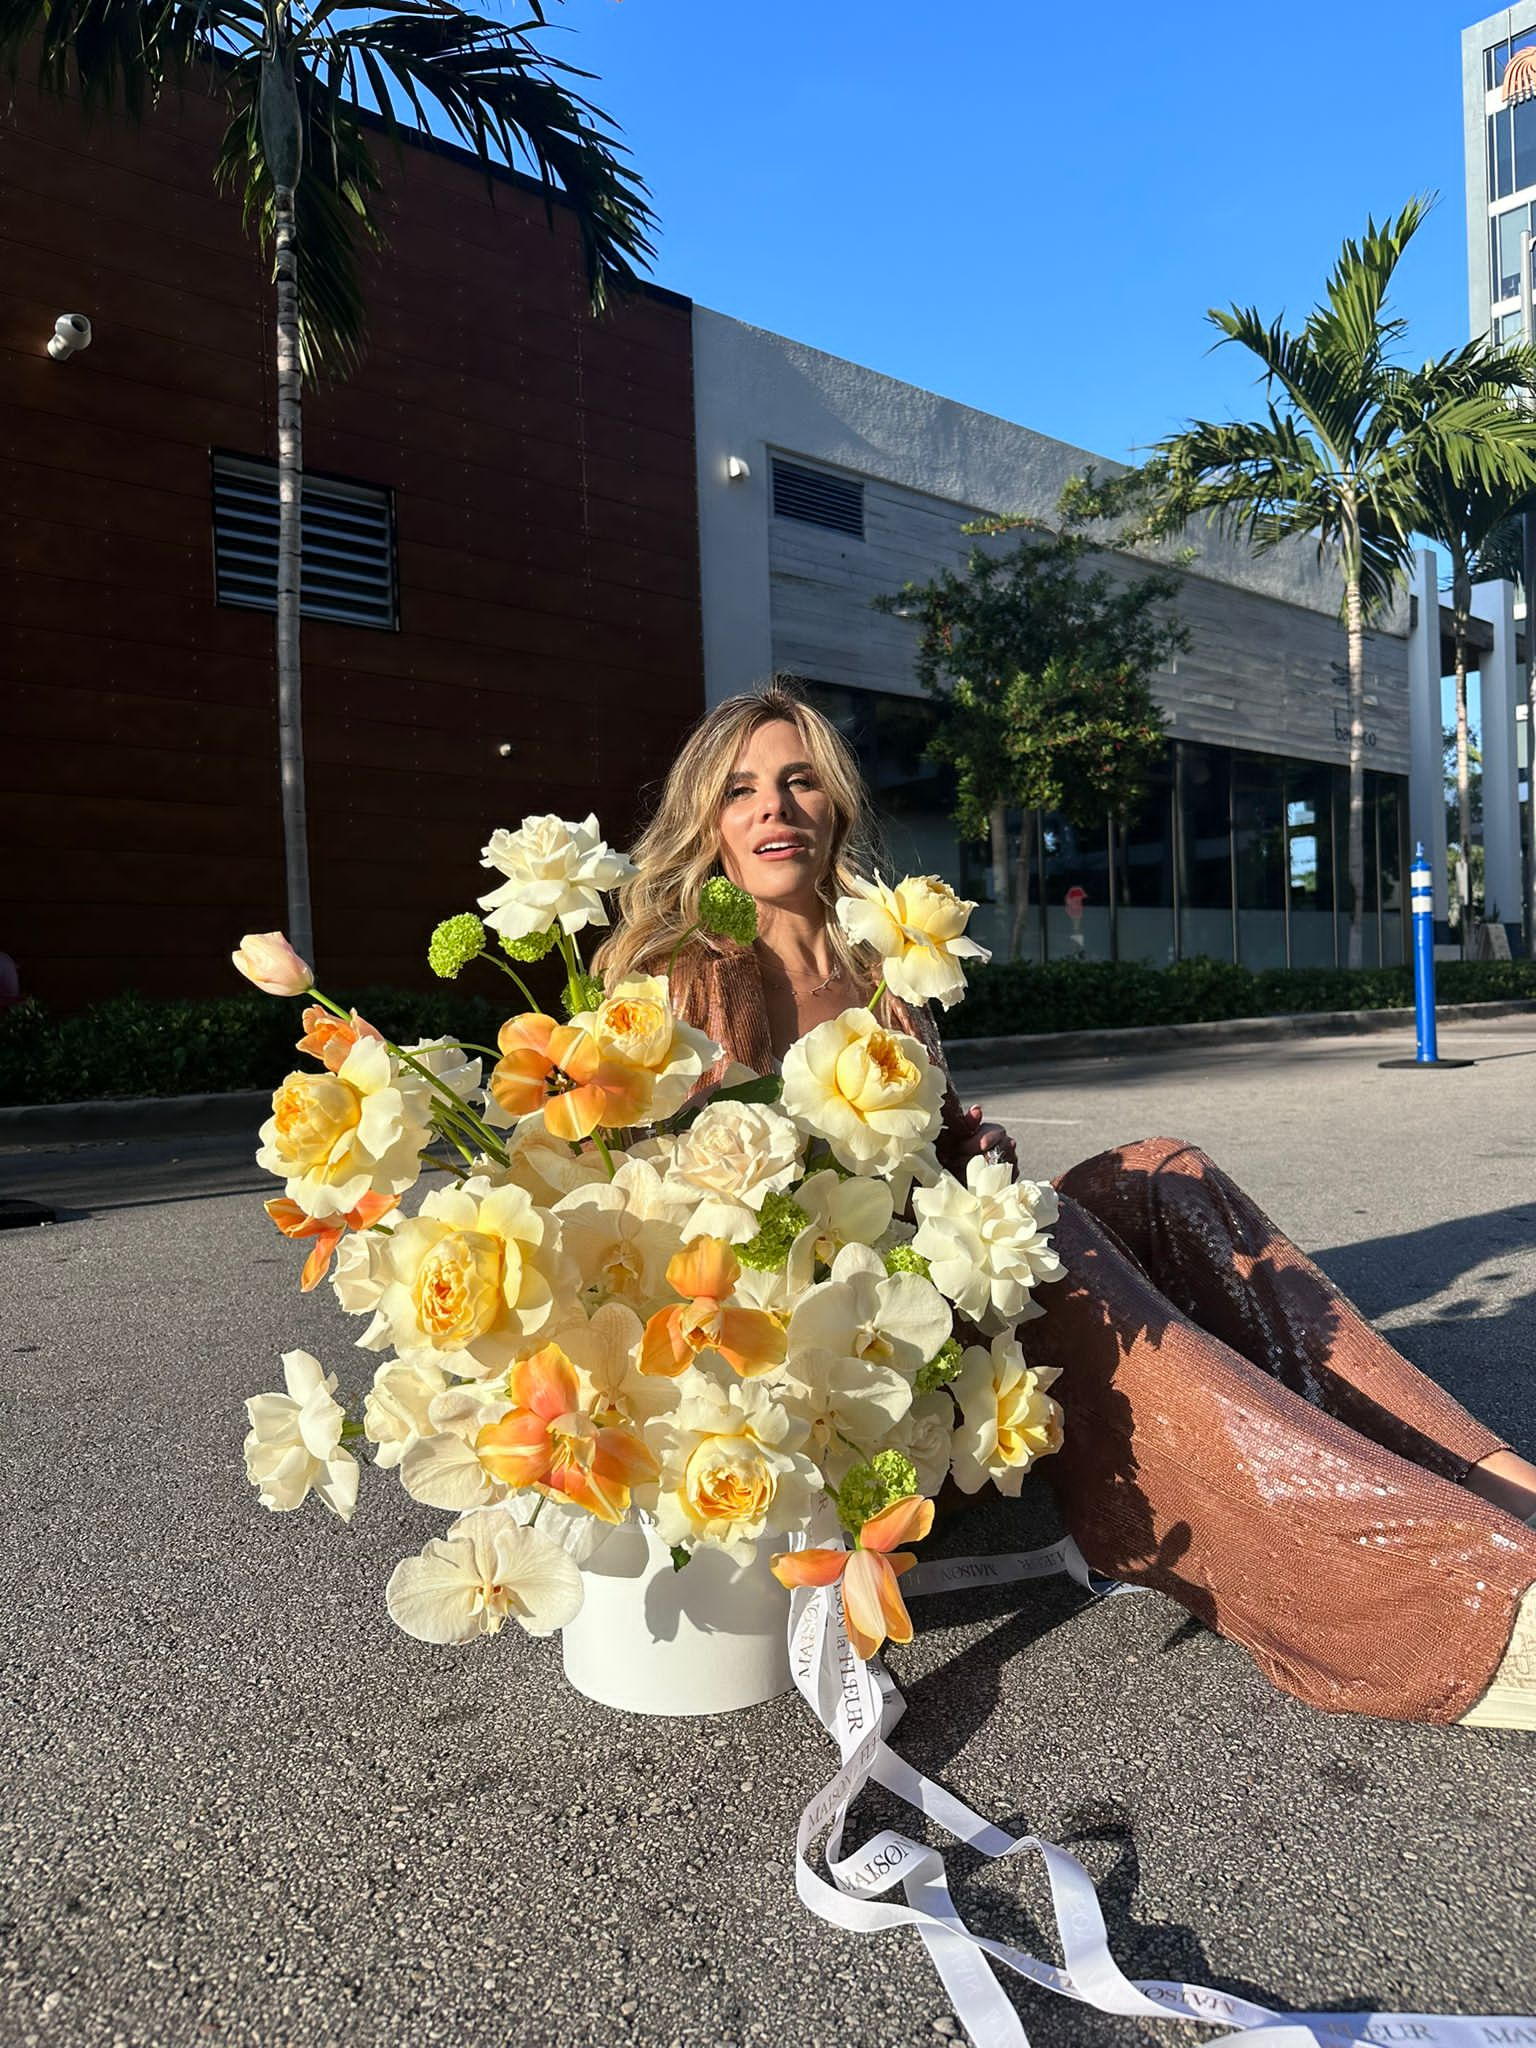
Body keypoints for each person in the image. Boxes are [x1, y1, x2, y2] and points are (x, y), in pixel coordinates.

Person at [594, 683, 1536, 1728]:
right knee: (1058, 1233)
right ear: (709, 823)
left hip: (941, 1281)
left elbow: (937, 1152)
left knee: (1156, 1167)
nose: (774, 808)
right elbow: (659, 1219)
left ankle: (1491, 1475)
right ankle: (1448, 1589)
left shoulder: (884, 964)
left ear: (835, 808)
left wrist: (970, 1156)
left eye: (798, 779)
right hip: (853, 1361)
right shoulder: (682, 981)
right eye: (740, 791)